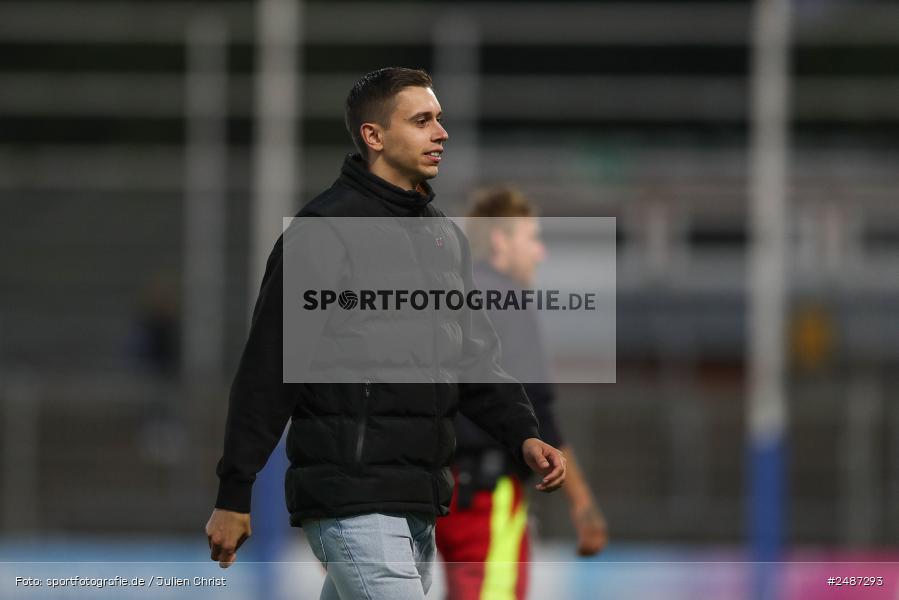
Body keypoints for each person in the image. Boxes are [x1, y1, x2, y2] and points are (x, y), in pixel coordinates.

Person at [204, 67, 567, 600]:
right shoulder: (323, 234)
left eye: (439, 120)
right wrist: (235, 493)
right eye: (422, 121)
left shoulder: (442, 237)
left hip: (418, 501)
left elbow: (474, 357)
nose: (441, 133)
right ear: (374, 136)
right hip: (352, 501)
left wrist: (522, 433)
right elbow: (269, 370)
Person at [436, 186, 609, 600]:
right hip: (484, 493)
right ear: (501, 240)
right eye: (532, 238)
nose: (539, 252)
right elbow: (538, 410)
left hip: (435, 488)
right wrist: (583, 503)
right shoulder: (508, 298)